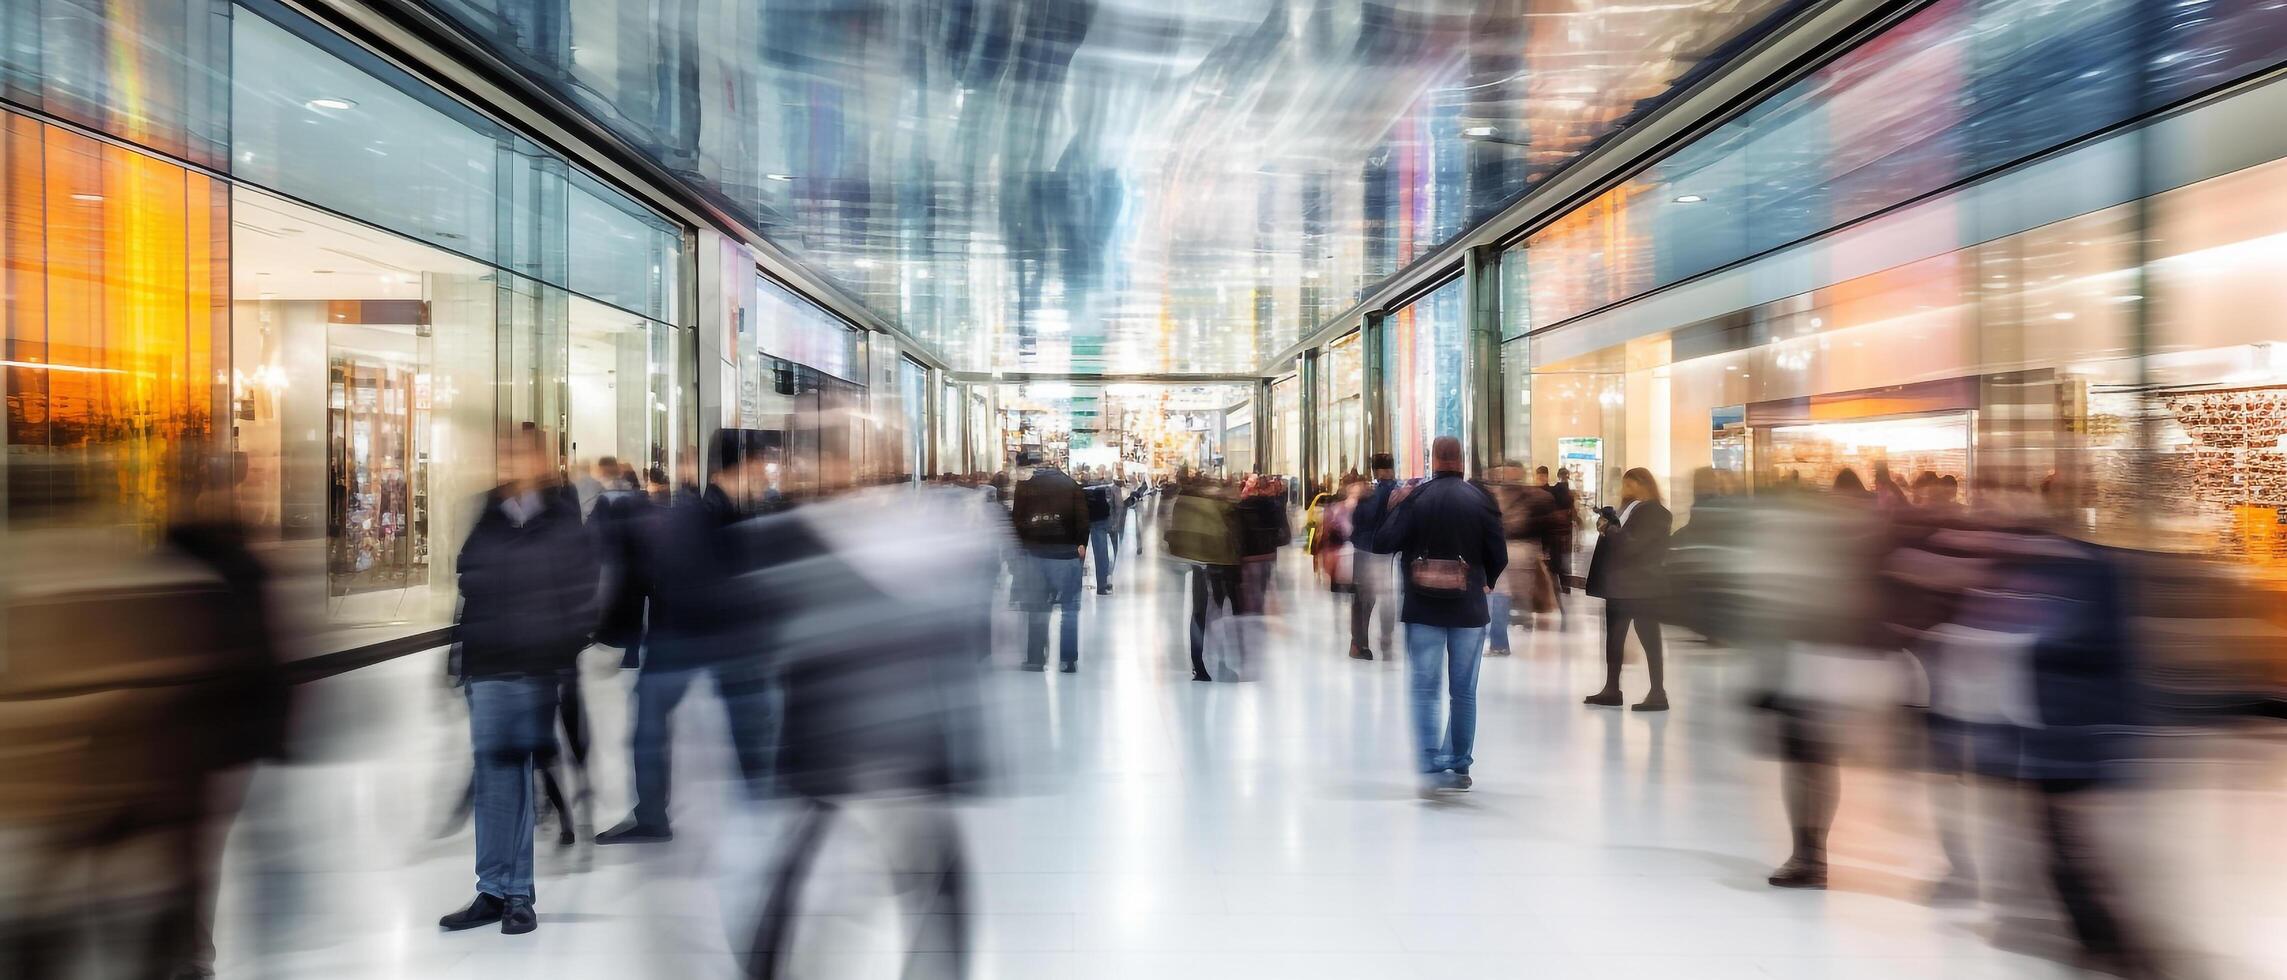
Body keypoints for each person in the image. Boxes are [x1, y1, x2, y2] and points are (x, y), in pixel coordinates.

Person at [440, 426, 600, 935]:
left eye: (521, 453)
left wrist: (556, 654)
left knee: (518, 779)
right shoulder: (486, 514)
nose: (511, 461)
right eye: (505, 451)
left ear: (542, 460)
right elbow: (468, 586)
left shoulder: (559, 516)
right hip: (487, 665)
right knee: (492, 783)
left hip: (532, 667)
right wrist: (456, 655)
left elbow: (579, 591)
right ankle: (491, 888)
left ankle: (518, 895)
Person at [596, 430, 782, 845]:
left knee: (666, 722)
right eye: (761, 464)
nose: (767, 474)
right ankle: (654, 816)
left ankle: (750, 812)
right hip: (691, 637)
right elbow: (685, 580)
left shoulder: (735, 511)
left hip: (701, 639)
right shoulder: (703, 514)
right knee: (655, 723)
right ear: (744, 465)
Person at [1378, 436, 1507, 794]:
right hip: (1468, 608)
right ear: (1462, 459)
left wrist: (1394, 506)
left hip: (1423, 607)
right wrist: (1488, 581)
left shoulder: (1416, 497)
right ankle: (1460, 763)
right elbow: (1499, 552)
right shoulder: (1480, 499)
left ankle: (1428, 761)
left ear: (1433, 458)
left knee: (1424, 687)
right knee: (1463, 691)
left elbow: (1382, 542)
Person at [1583, 467, 1673, 711]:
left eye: (1629, 484)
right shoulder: (1629, 509)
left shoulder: (1656, 512)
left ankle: (1657, 692)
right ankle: (1612, 688)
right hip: (1621, 584)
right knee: (1614, 637)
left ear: (1642, 484)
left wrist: (1608, 529)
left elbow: (1633, 545)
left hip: (1641, 585)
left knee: (1649, 638)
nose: (1624, 489)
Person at [1010, 452, 1089, 672]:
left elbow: (1017, 520)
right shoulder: (1072, 486)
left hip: (1036, 554)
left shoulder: (1025, 487)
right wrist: (1080, 546)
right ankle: (1068, 659)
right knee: (1070, 609)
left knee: (1037, 607)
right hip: (1066, 554)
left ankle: (1035, 658)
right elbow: (1083, 521)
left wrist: (1023, 548)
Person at [1165, 475, 1242, 681]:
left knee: (1198, 615)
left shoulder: (1182, 500)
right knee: (1217, 613)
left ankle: (1198, 665)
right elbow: (1228, 531)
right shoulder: (1217, 505)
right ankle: (1220, 661)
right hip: (1215, 563)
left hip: (1192, 563)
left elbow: (1172, 530)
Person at [1347, 453, 1402, 660]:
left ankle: (1358, 643)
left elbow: (1357, 522)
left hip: (1364, 551)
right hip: (1386, 552)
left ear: (1374, 470)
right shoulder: (1399, 491)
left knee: (1363, 599)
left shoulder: (1368, 493)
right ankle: (1386, 638)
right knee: (1387, 596)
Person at [1084, 468, 1121, 595]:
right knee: (1102, 554)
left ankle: (1073, 584)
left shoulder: (1083, 487)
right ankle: (1103, 584)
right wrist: (1115, 521)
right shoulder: (1108, 487)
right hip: (1101, 520)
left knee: (1078, 554)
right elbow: (1119, 504)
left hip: (1087, 519)